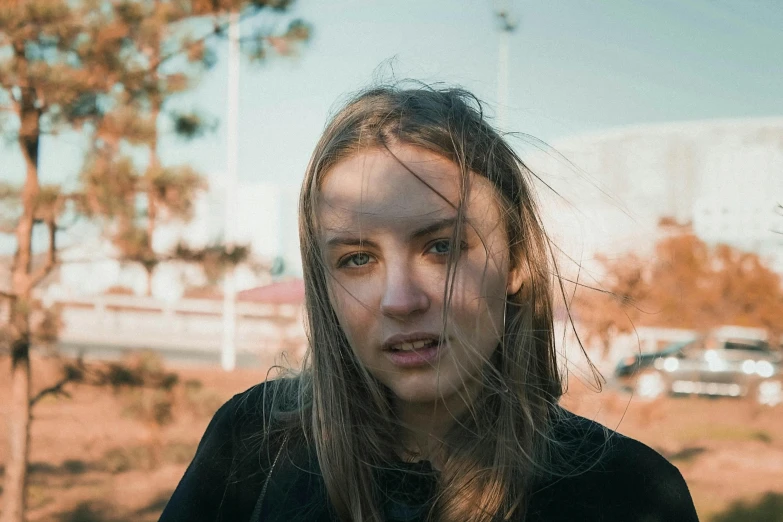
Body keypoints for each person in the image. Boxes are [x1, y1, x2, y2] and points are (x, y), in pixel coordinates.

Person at [159, 84, 699, 522]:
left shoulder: (629, 493)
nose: (399, 300)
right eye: (357, 259)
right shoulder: (252, 444)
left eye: (441, 247)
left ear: (516, 263)